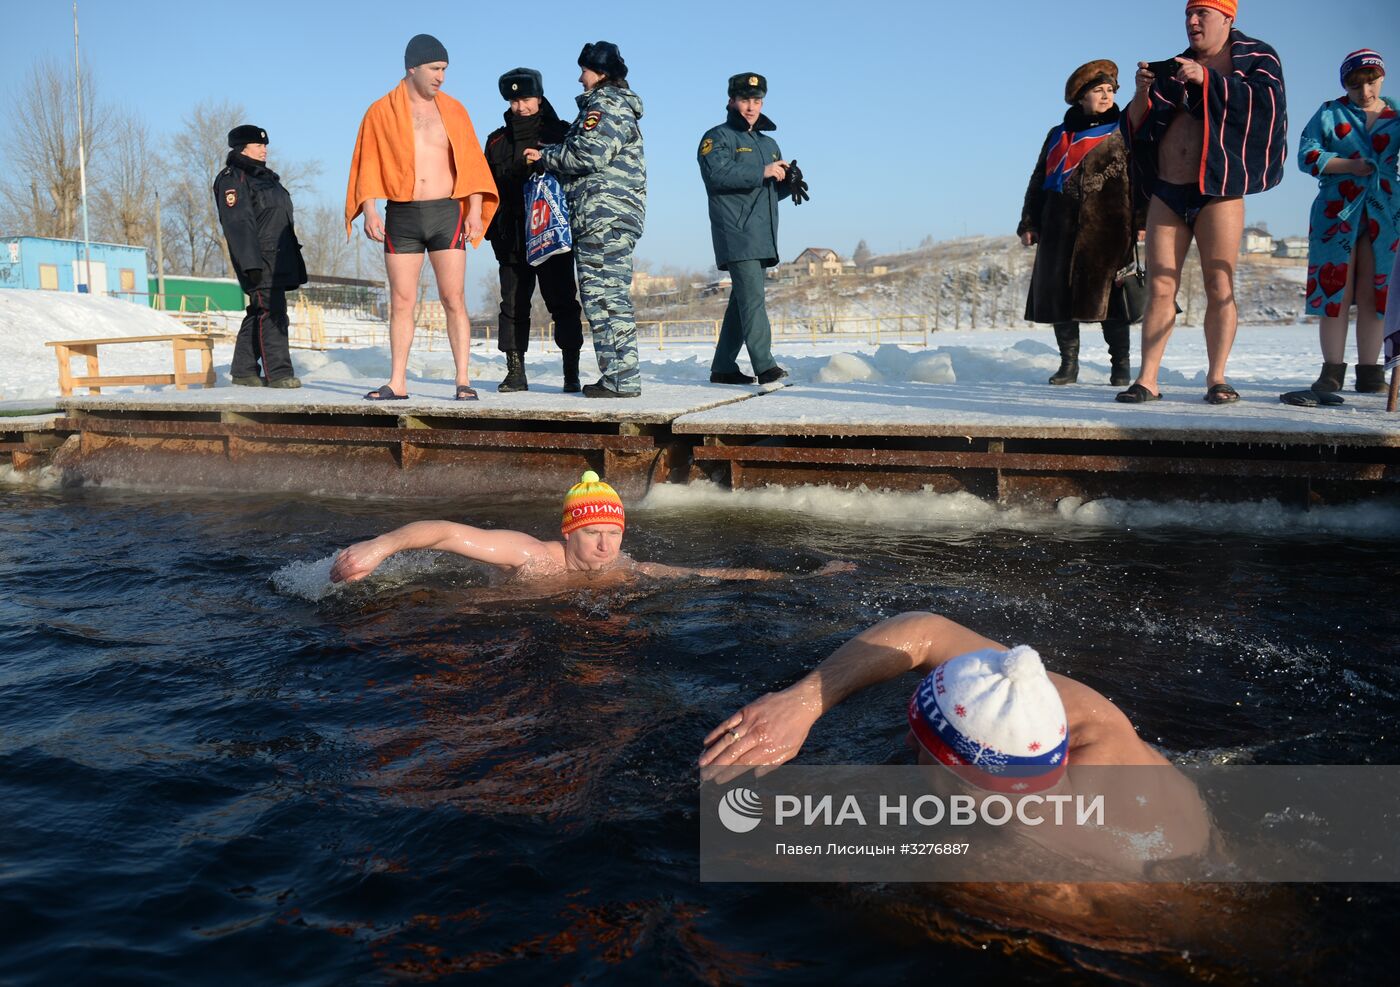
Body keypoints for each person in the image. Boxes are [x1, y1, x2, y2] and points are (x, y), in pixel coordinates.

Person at [699, 611, 1211, 876]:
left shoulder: (1004, 869)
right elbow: (926, 630)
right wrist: (804, 701)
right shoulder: (1094, 722)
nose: (906, 738)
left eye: (919, 738)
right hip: (1206, 843)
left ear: (953, 769)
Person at [1116, 1, 1287, 406]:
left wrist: (1208, 79)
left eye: (1202, 14)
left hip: (1220, 189)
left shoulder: (1257, 57)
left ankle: (1217, 378)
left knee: (1219, 284)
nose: (1192, 22)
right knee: (1159, 286)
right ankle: (1148, 379)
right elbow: (1135, 126)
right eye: (1188, 15)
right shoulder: (1175, 65)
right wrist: (1142, 93)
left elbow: (1267, 106)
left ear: (1228, 18)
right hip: (1168, 189)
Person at [330, 470, 851, 583]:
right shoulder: (531, 555)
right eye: (592, 533)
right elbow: (445, 531)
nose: (604, 544)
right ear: (568, 533)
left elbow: (713, 574)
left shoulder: (630, 569)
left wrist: (808, 579)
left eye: (613, 533)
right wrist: (381, 547)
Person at [345, 34, 499, 402]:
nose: (441, 77)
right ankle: (397, 381)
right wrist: (369, 208)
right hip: (402, 213)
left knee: (453, 298)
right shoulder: (380, 111)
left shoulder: (455, 110)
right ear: (412, 67)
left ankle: (463, 379)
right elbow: (367, 162)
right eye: (435, 68)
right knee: (401, 300)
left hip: (447, 212)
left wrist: (475, 210)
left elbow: (472, 164)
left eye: (444, 69)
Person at [525, 42, 646, 399]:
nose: (580, 78)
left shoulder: (605, 104)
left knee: (604, 298)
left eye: (585, 71)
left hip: (602, 215)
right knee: (608, 297)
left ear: (601, 73)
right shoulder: (615, 105)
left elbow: (589, 153)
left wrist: (544, 157)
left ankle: (621, 380)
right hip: (610, 215)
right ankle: (620, 376)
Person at [1282, 49, 1399, 407]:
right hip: (1337, 212)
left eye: (1371, 80)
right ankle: (1331, 369)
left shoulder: (1396, 114)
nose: (1364, 90)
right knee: (1335, 294)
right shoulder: (1329, 112)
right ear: (1344, 84)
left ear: (1381, 77)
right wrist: (1348, 165)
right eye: (1355, 83)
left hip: (1386, 212)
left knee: (1375, 295)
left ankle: (1370, 372)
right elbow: (1306, 154)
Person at [1018, 61, 1138, 388]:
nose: (1106, 96)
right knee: (1061, 300)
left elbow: (1140, 179)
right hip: (1059, 229)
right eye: (1098, 91)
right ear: (1080, 97)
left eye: (1110, 91)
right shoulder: (1058, 136)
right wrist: (1029, 221)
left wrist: (1141, 221)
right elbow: (1039, 179)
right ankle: (1068, 365)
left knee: (1112, 304)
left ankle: (1121, 366)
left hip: (1110, 230)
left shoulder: (1123, 130)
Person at [483, 68, 585, 394]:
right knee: (512, 305)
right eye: (513, 100)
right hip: (511, 237)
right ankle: (515, 372)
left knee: (563, 302)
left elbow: (578, 178)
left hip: (551, 233)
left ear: (539, 98)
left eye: (525, 98)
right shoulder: (496, 141)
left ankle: (572, 372)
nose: (520, 106)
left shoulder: (563, 133)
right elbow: (487, 189)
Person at [699, 73, 803, 386]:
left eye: (756, 101)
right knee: (753, 300)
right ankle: (765, 365)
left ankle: (723, 367)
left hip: (762, 234)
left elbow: (765, 190)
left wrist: (788, 182)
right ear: (731, 100)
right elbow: (717, 175)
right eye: (745, 100)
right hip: (736, 232)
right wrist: (762, 170)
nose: (751, 107)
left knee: (741, 303)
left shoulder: (768, 143)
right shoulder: (717, 138)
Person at [213, 125, 307, 389]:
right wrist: (251, 263)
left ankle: (244, 371)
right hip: (260, 260)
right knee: (273, 313)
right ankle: (279, 373)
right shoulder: (233, 179)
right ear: (243, 148)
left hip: (279, 258)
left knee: (259, 312)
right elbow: (238, 223)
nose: (264, 149)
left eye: (264, 145)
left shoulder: (268, 179)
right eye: (258, 145)